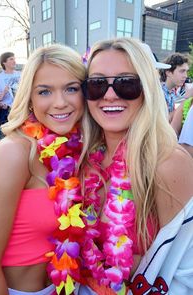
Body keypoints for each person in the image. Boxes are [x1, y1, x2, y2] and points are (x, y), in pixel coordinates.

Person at [0, 43, 86, 295]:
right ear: (29, 97)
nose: (60, 102)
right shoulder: (15, 153)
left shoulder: (75, 150)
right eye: (44, 91)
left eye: (71, 88)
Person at [78, 37, 193, 294]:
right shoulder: (83, 160)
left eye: (126, 83)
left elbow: (186, 273)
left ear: (147, 89)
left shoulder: (167, 162)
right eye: (97, 84)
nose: (109, 95)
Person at [159, 52, 193, 122]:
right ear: (168, 72)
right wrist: (186, 100)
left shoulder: (172, 92)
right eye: (182, 71)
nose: (185, 76)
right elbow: (161, 121)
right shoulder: (158, 92)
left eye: (186, 71)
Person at [0, 52, 21, 125]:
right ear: (4, 62)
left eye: (14, 59)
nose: (14, 61)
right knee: (8, 135)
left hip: (21, 110)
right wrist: (1, 104)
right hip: (6, 111)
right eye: (11, 59)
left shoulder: (20, 75)